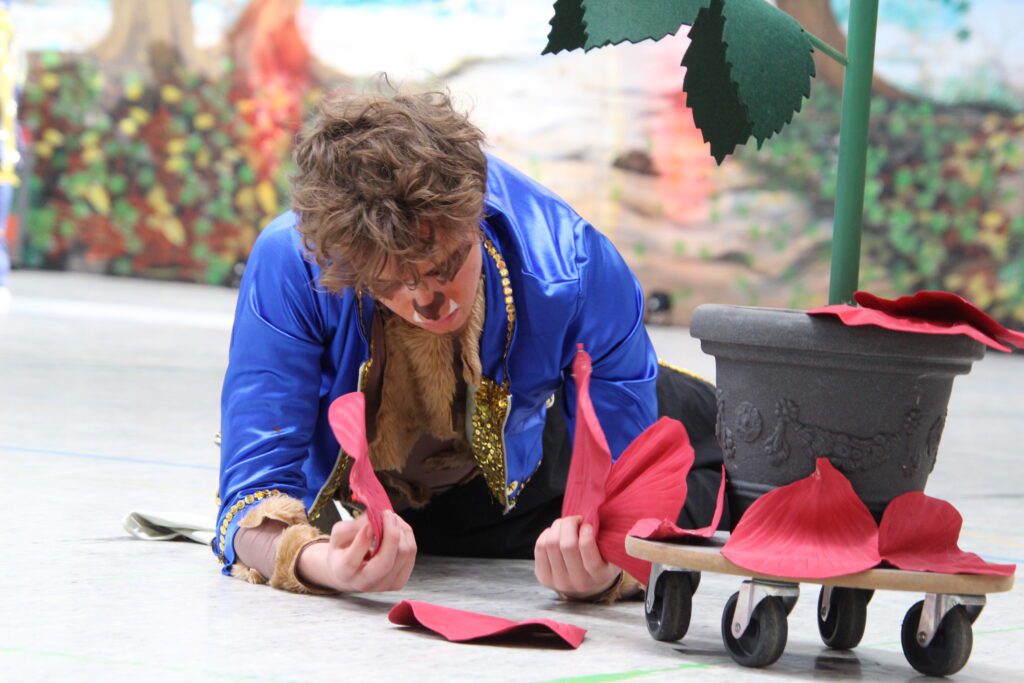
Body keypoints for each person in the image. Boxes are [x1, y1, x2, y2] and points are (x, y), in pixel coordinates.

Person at [214, 87, 726, 602]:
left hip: (537, 427)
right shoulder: (296, 262)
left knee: (731, 438)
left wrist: (612, 573)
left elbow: (631, 473)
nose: (427, 304)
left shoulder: (572, 265)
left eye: (445, 266)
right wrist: (319, 563)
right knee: (700, 505)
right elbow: (248, 500)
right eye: (389, 284)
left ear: (477, 214)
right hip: (466, 511)